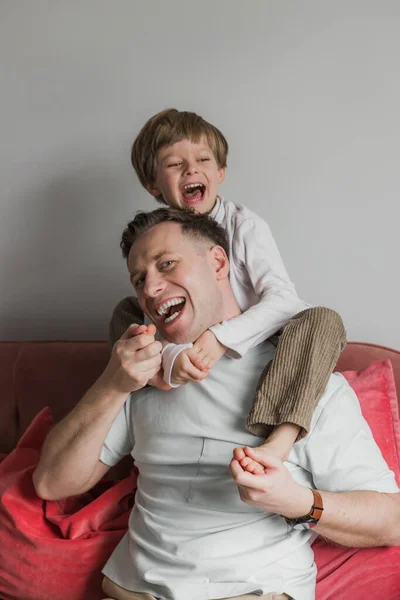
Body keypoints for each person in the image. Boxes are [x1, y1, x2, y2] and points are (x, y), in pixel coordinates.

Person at [33, 209, 400, 600]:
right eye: (140, 280)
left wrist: (296, 502)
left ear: (219, 262)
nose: (151, 288)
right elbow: (51, 482)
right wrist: (113, 382)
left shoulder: (303, 377)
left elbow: (391, 521)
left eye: (167, 264)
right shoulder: (141, 374)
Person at [110, 108, 347, 468]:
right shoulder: (156, 242)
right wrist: (173, 358)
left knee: (323, 320)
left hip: (255, 341)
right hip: (183, 344)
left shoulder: (244, 225)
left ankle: (279, 441)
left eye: (203, 159)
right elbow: (153, 313)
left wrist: (220, 338)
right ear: (153, 185)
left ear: (219, 173)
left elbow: (284, 301)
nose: (191, 169)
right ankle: (153, 376)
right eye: (175, 164)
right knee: (125, 312)